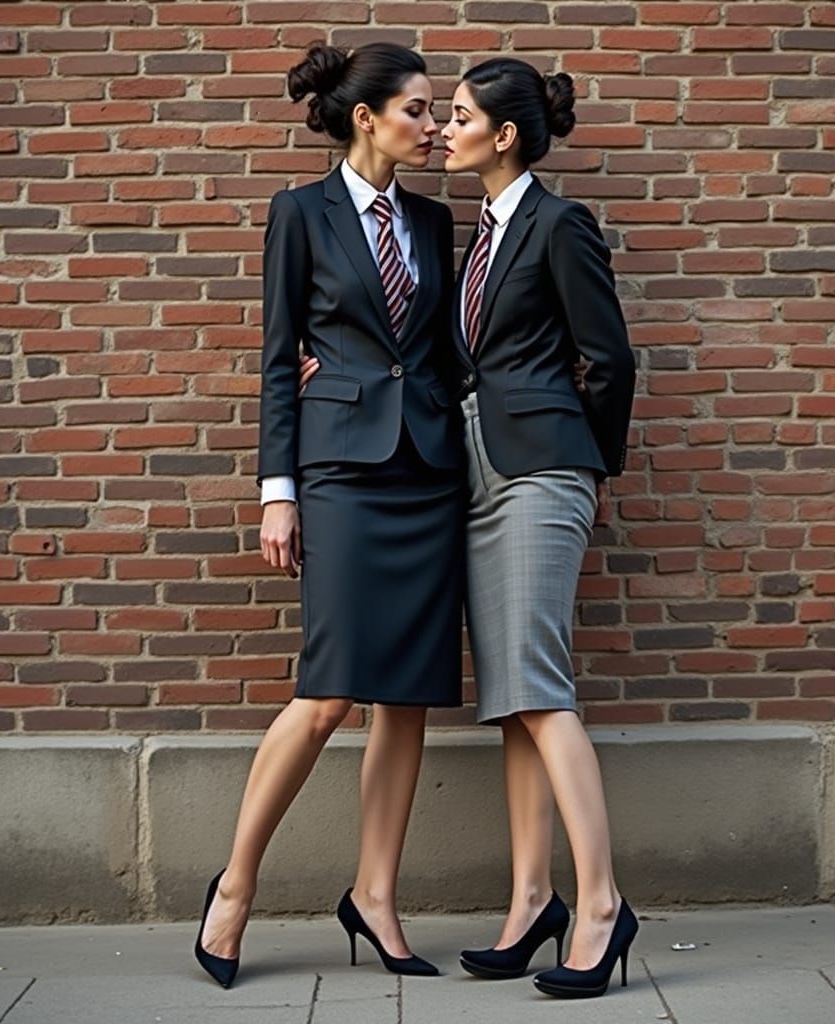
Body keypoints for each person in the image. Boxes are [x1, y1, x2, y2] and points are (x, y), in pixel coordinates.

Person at [193, 42, 464, 989]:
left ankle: (377, 898)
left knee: (407, 698)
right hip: (341, 472)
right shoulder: (298, 214)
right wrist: (279, 487)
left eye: (437, 114)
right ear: (368, 117)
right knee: (329, 693)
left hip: (429, 471)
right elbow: (278, 354)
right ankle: (235, 887)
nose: (436, 128)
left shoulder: (434, 223)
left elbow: (443, 353)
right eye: (422, 111)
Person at [442, 58, 638, 999]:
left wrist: (583, 465)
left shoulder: (560, 225)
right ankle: (531, 901)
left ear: (505, 134)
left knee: (542, 688)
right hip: (476, 471)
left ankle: (600, 906)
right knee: (512, 696)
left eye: (460, 115)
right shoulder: (476, 239)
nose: (445, 128)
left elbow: (610, 356)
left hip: (541, 470)